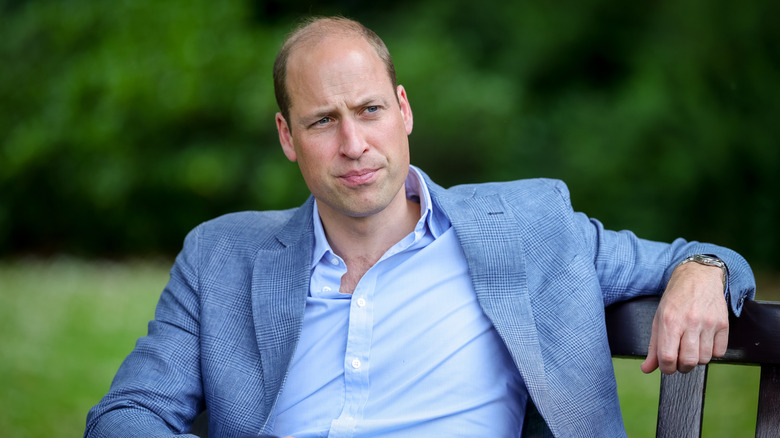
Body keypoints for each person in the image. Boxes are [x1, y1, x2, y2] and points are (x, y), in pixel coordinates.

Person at [85, 16, 756, 438]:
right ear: (287, 136)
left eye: (369, 110)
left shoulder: (530, 227)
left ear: (403, 110)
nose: (354, 144)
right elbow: (127, 413)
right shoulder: (221, 256)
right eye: (323, 121)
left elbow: (698, 256)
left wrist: (704, 270)